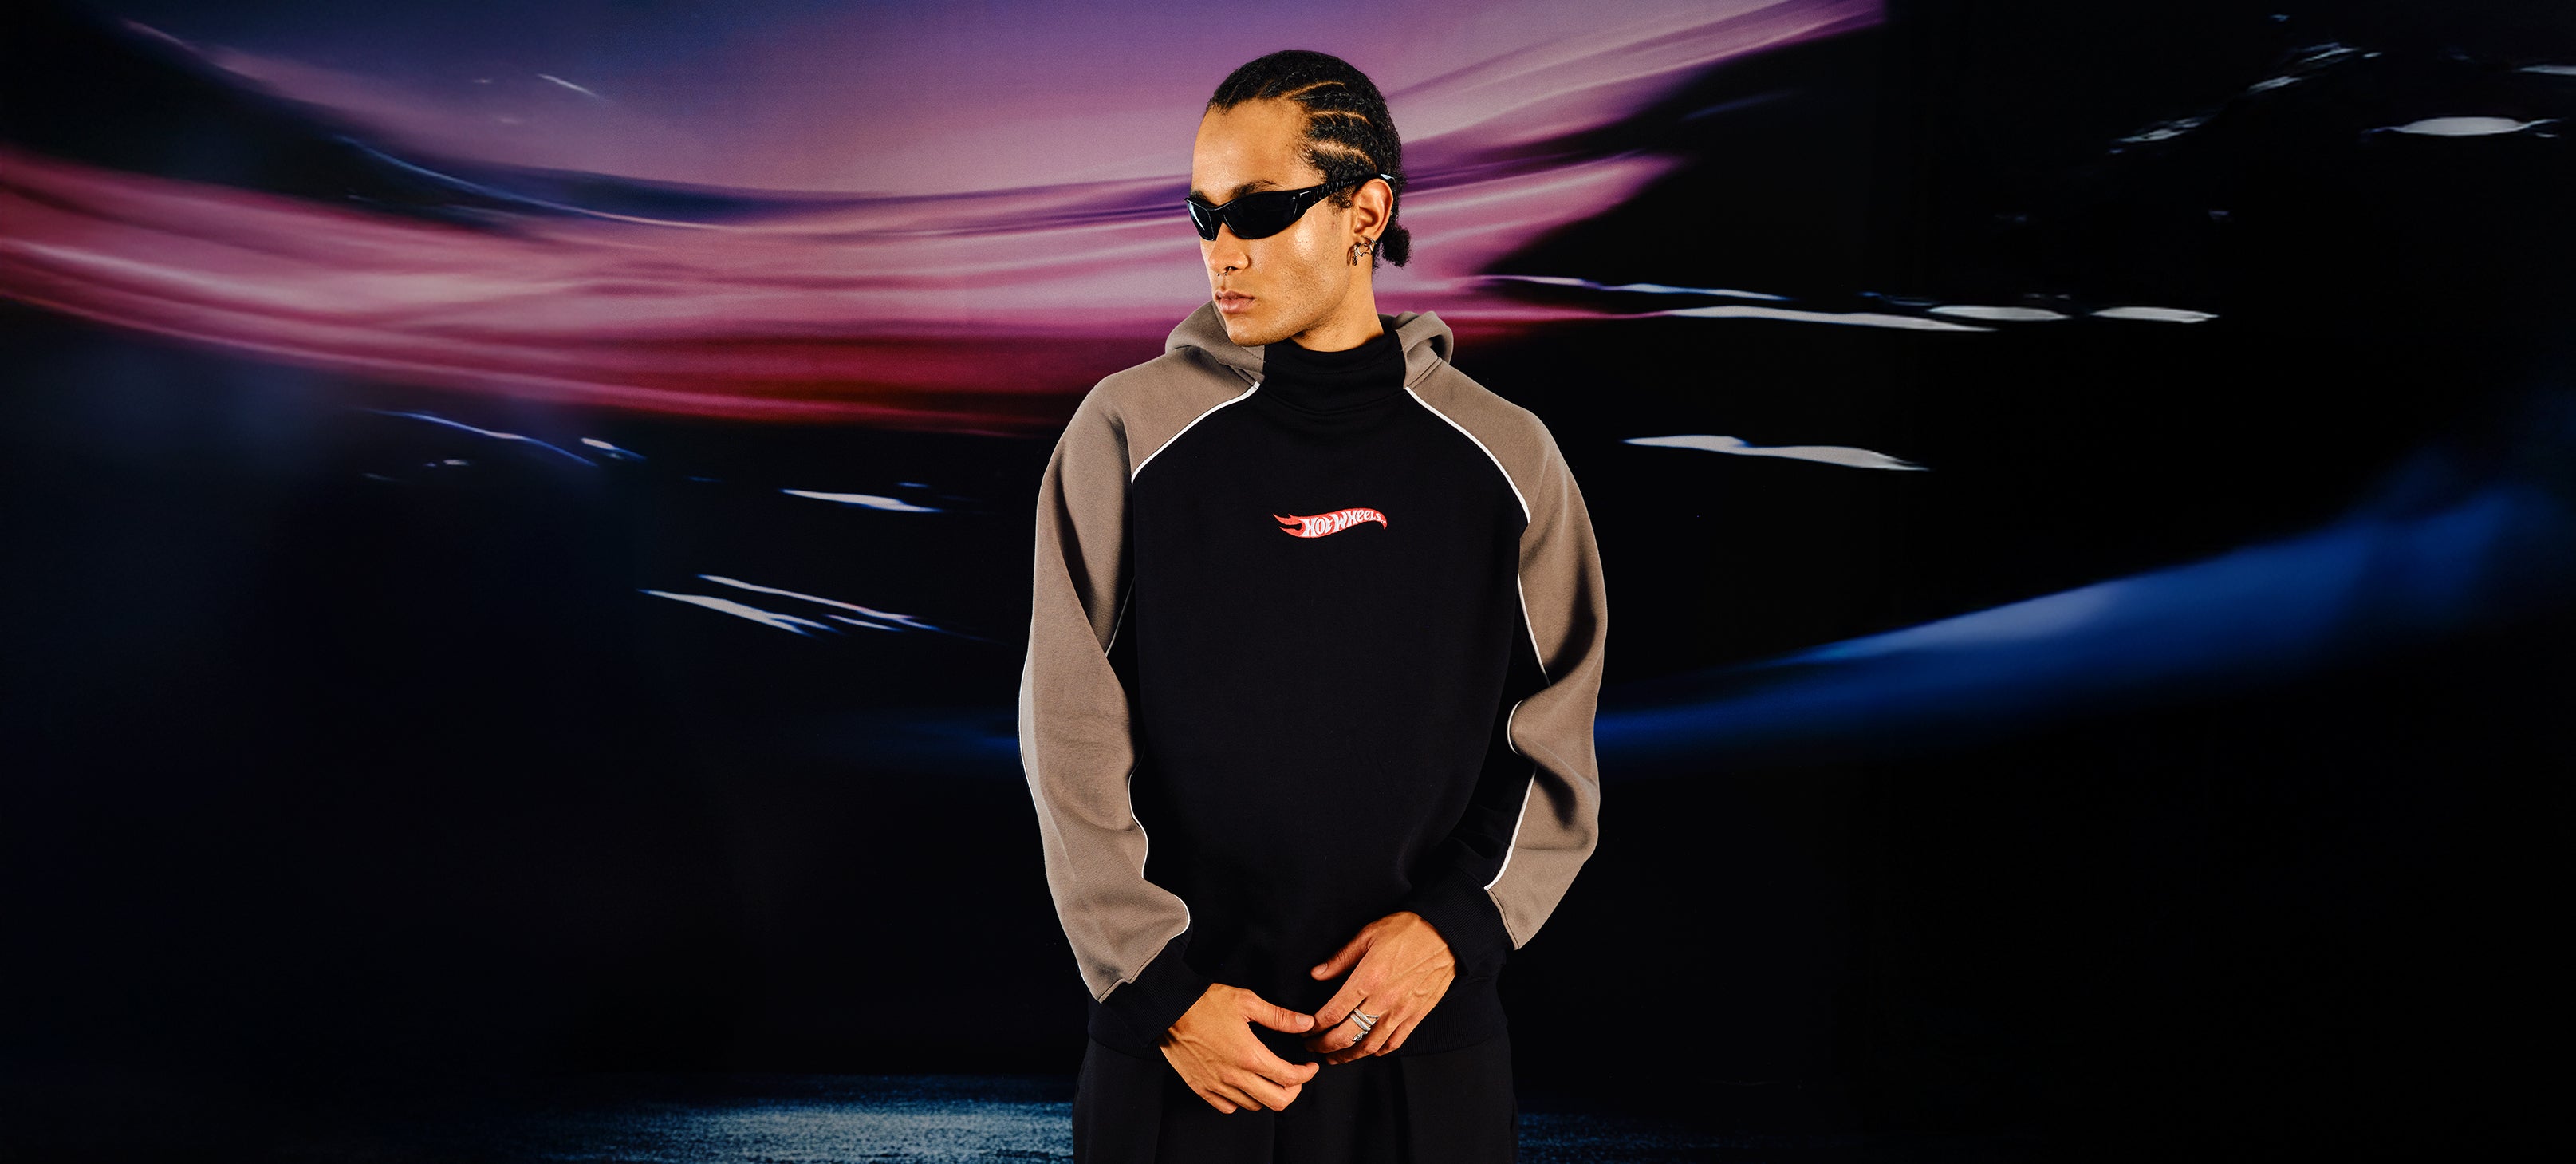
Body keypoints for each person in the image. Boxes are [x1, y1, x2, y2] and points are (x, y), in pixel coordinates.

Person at [1018, 48, 1607, 1163]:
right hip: (1186, 1049)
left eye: (1258, 211)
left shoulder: (1506, 455)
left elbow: (1555, 737)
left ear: (1364, 213)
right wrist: (1157, 991)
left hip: (1421, 1042)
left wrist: (1457, 930)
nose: (1221, 251)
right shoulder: (1127, 432)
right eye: (1202, 216)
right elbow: (1066, 733)